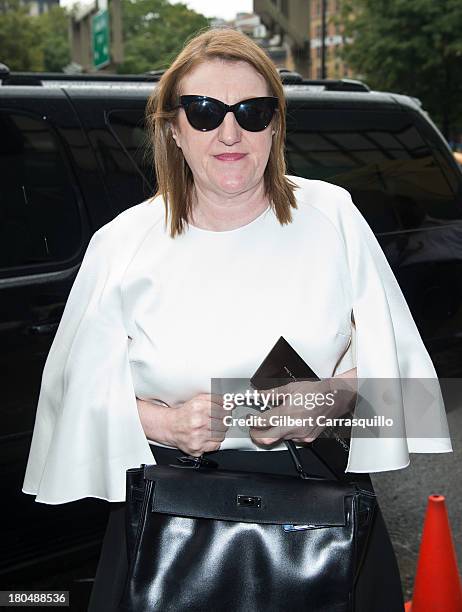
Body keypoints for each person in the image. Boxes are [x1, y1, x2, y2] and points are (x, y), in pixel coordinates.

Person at [22, 27, 452, 612]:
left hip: (322, 521)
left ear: (275, 125)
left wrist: (331, 399)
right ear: (173, 129)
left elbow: (414, 401)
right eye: (204, 112)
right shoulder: (121, 243)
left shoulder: (333, 218)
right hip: (172, 526)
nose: (230, 132)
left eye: (253, 111)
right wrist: (165, 424)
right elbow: (68, 401)